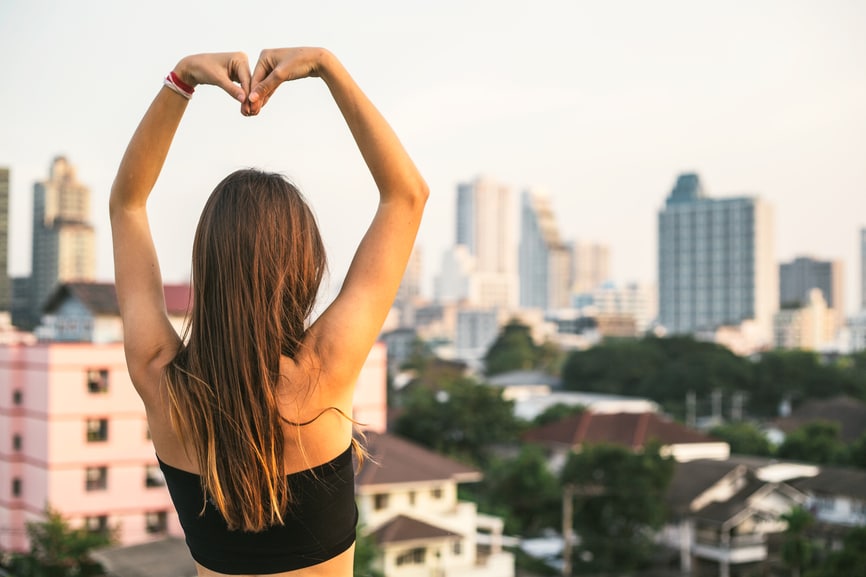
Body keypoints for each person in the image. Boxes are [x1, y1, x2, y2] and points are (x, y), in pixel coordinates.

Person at [110, 48, 428, 576]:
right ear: (303, 268)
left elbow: (127, 203)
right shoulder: (324, 370)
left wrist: (182, 78)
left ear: (206, 268)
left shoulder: (159, 378)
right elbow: (406, 196)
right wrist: (327, 66)